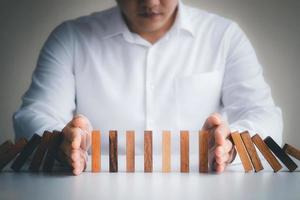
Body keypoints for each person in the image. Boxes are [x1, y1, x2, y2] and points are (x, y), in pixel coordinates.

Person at [13, 0, 283, 175]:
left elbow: (265, 116)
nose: (151, 2)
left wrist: (233, 146)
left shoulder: (224, 36)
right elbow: (35, 113)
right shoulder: (70, 38)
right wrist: (62, 142)